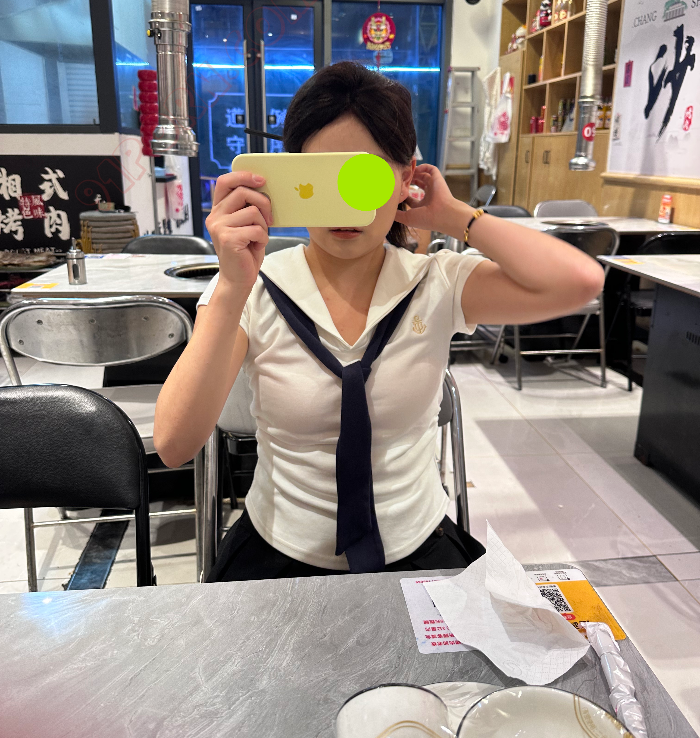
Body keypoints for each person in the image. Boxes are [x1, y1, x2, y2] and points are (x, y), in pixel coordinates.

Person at [154, 62, 603, 581]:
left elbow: (579, 281)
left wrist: (456, 217)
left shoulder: (436, 283)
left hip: (416, 547)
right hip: (277, 552)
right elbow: (174, 443)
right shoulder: (250, 286)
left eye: (364, 178)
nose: (344, 205)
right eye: (321, 177)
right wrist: (232, 286)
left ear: (405, 178)